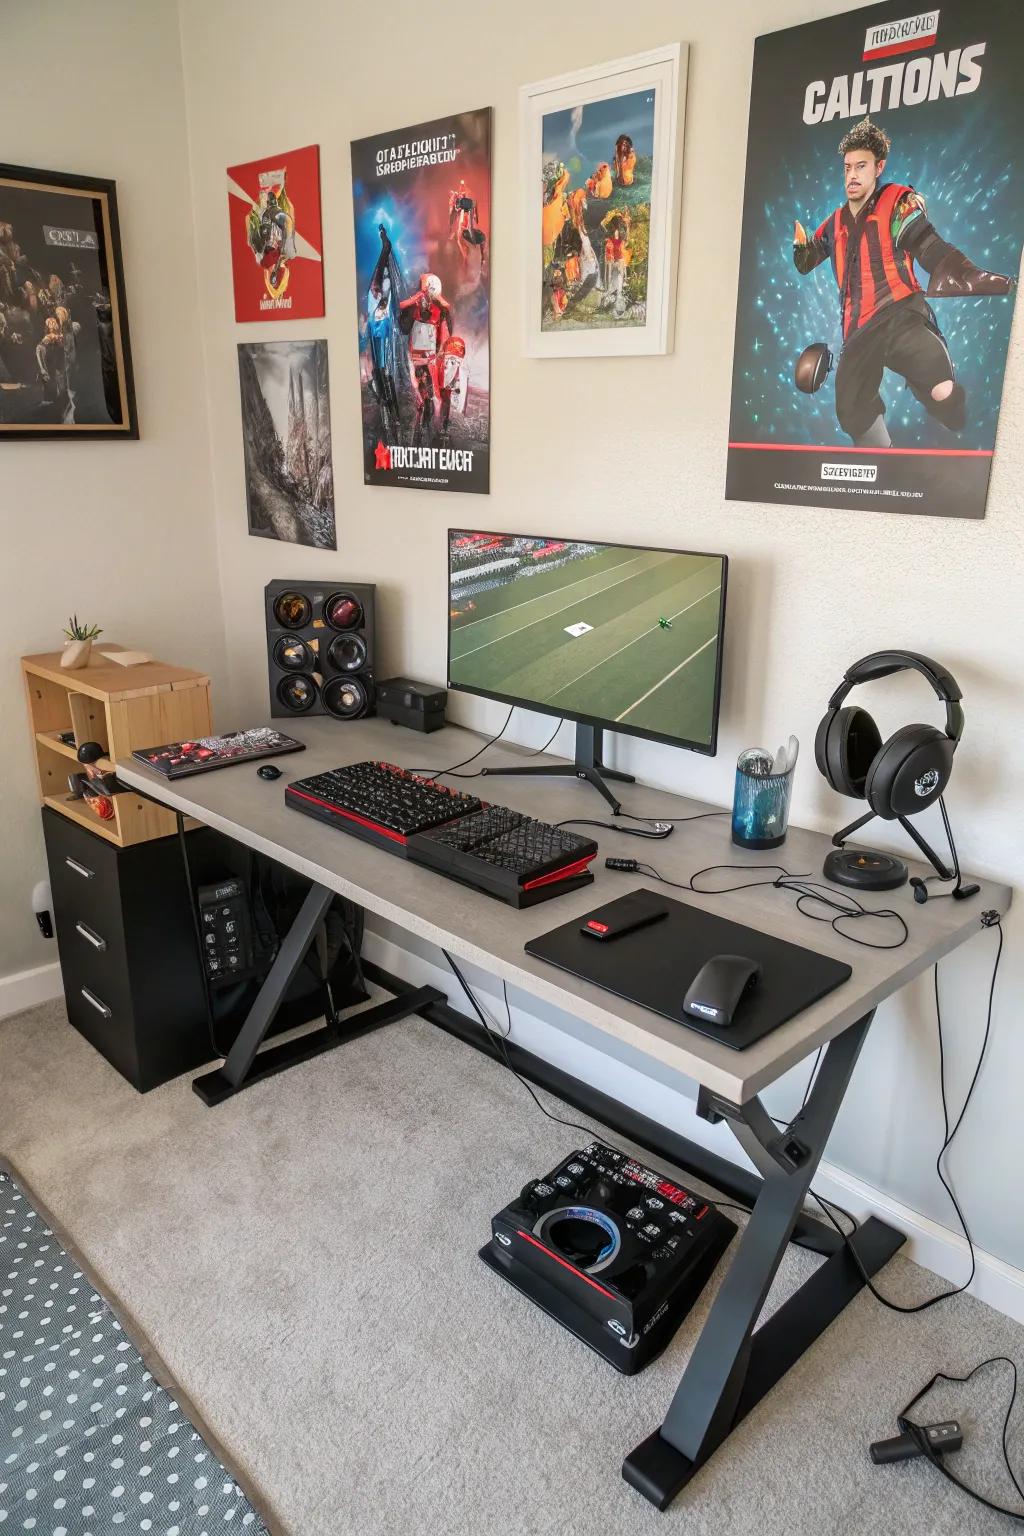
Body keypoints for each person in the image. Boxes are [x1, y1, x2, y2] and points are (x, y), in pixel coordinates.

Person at [793, 116, 1013, 447]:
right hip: (858, 331)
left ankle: (956, 416)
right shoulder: (835, 222)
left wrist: (963, 272)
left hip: (899, 313)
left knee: (940, 384)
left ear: (878, 167)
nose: (852, 175)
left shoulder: (896, 200)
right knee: (851, 411)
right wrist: (801, 247)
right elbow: (807, 261)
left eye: (861, 166)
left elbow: (925, 242)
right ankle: (881, 458)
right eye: (848, 167)